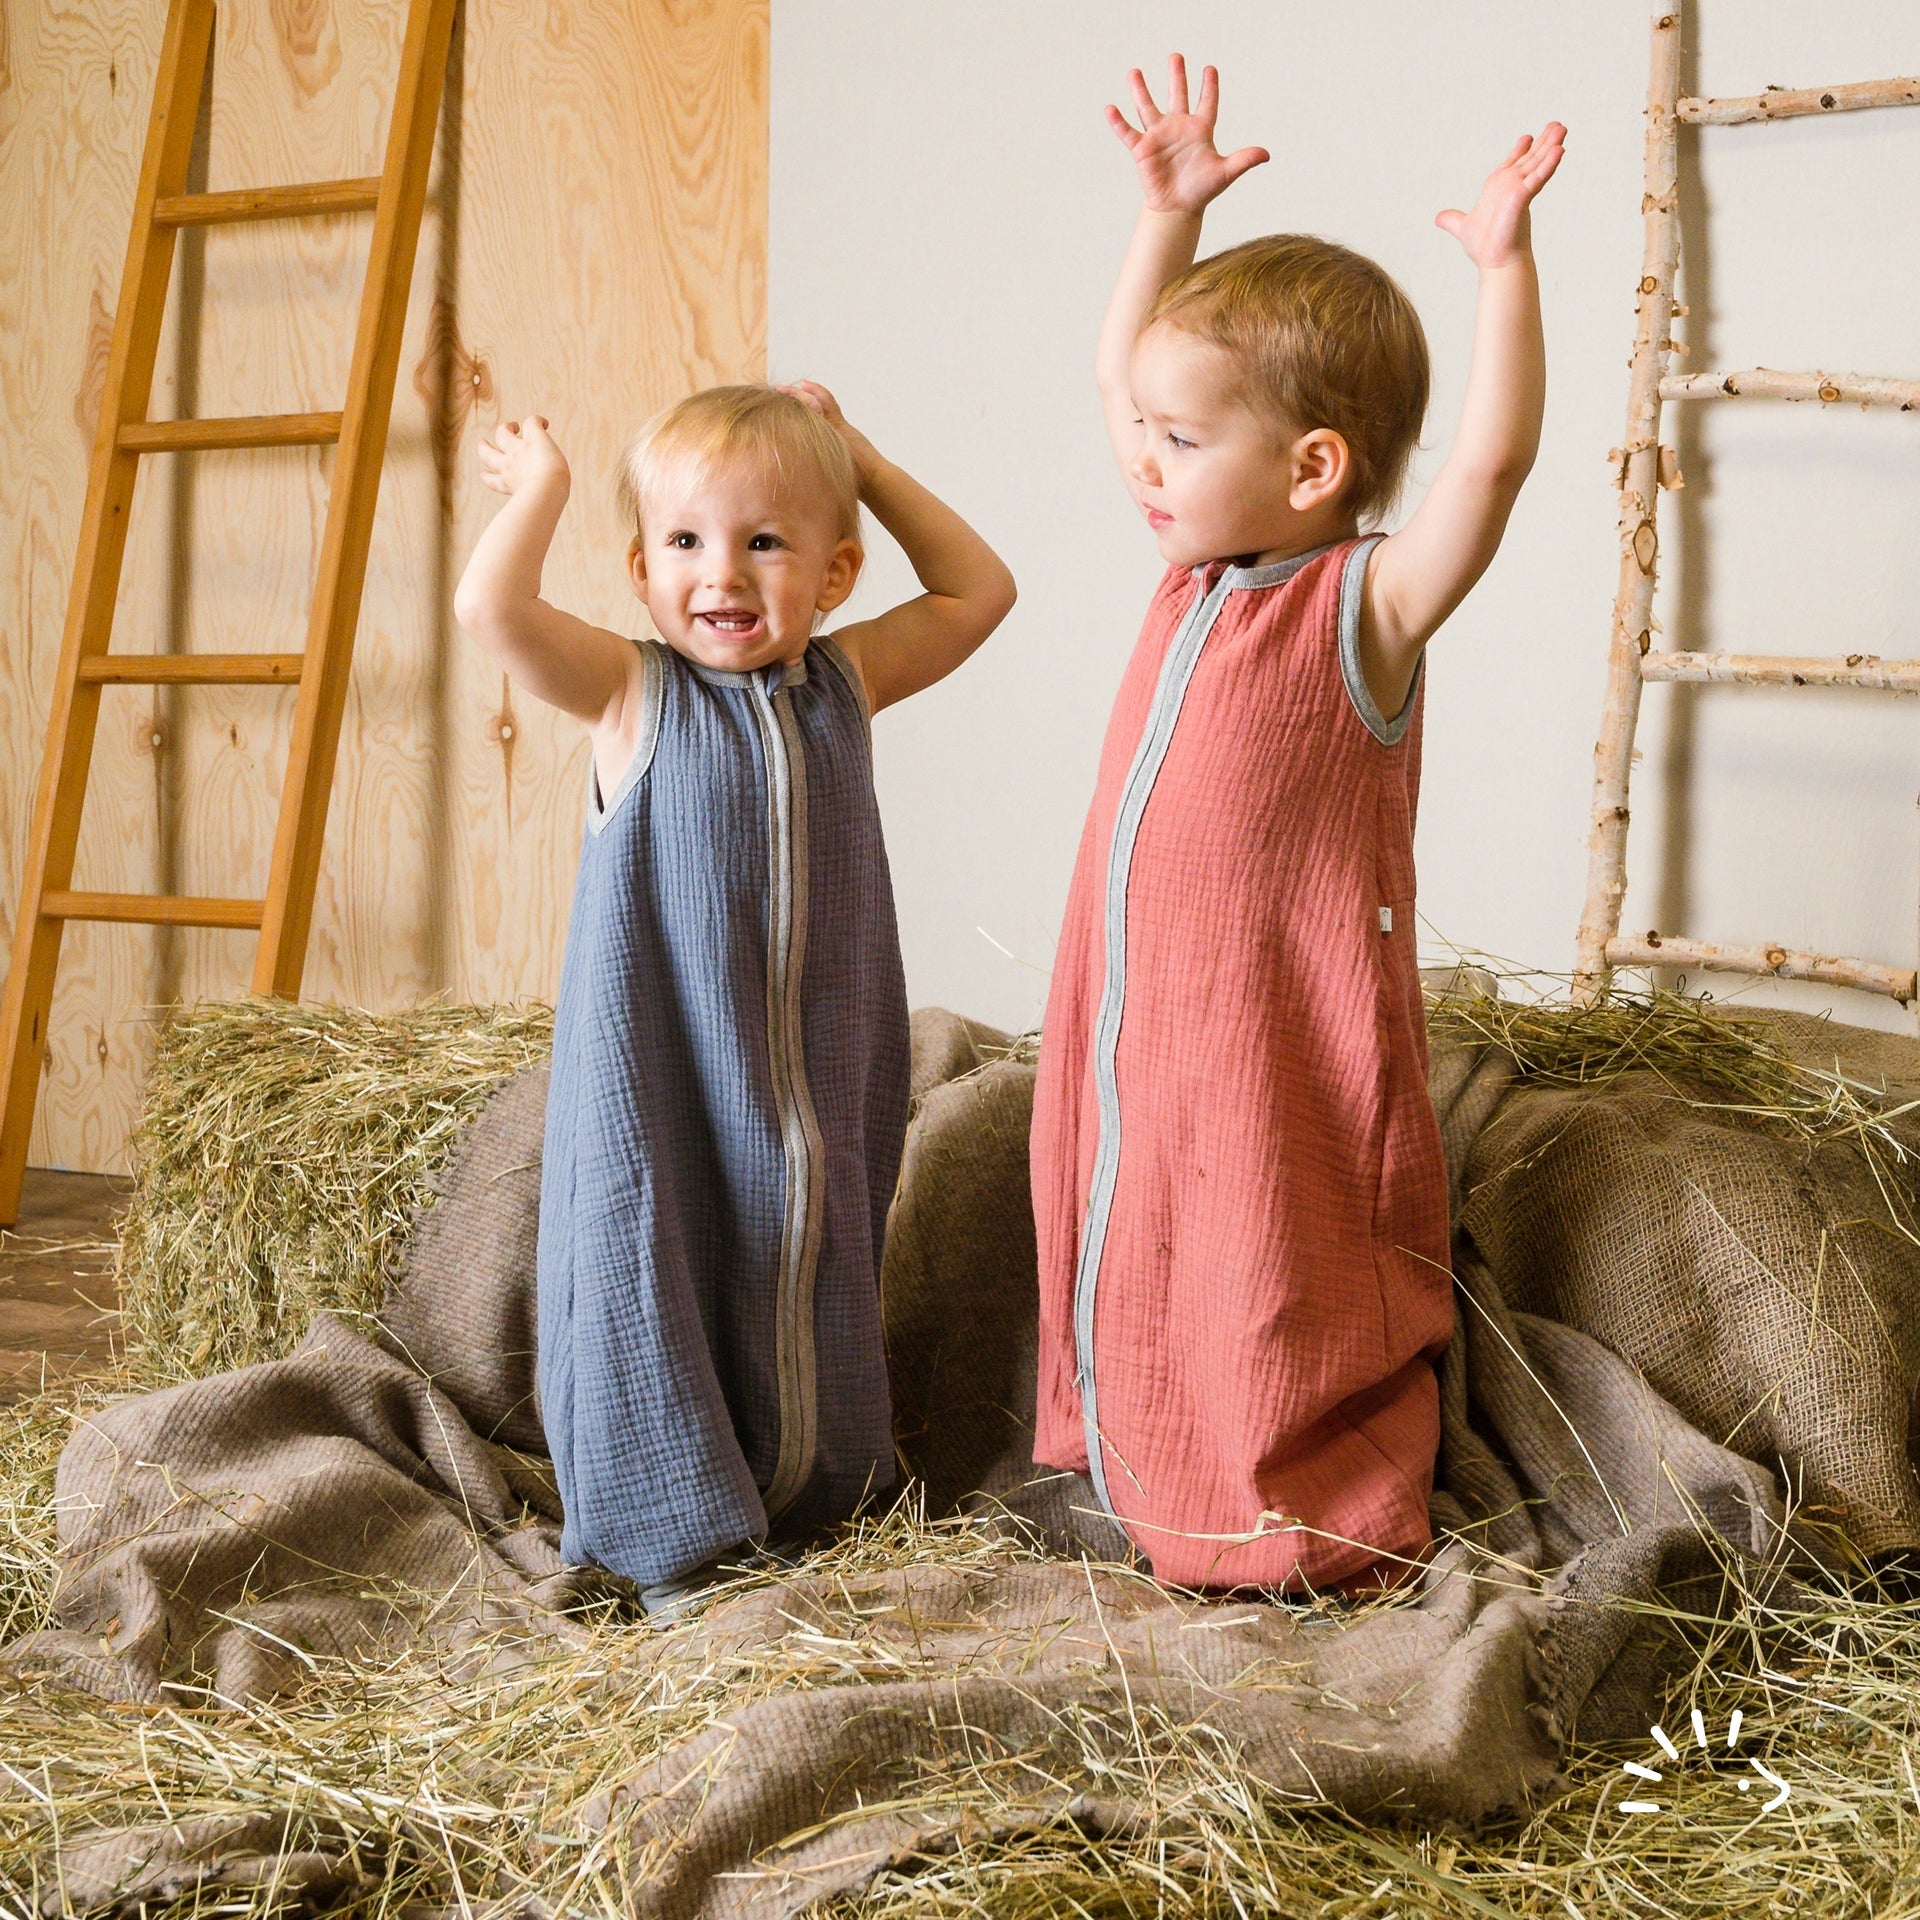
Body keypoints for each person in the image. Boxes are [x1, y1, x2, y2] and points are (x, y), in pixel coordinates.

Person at [1031, 55, 1564, 1593]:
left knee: (1270, 1263)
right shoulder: (1191, 574)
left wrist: (1505, 274)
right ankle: (1134, 1465)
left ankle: (1288, 1517)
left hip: (1278, 1030)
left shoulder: (1362, 608)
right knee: (1128, 1228)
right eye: (1146, 431)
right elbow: (1126, 371)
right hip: (1139, 1006)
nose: (1140, 458)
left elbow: (1492, 463)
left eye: (1178, 443)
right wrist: (1169, 222)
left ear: (1315, 468)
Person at [455, 382, 1015, 1607]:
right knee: (652, 1267)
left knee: (809, 1262)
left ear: (835, 571)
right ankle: (671, 1540)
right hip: (664, 1081)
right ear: (643, 570)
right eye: (686, 542)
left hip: (816, 1082)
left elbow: (981, 589)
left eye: (767, 540)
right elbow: (489, 607)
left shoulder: (844, 687)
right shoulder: (628, 694)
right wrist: (542, 491)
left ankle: (813, 1496)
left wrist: (860, 455)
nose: (725, 572)